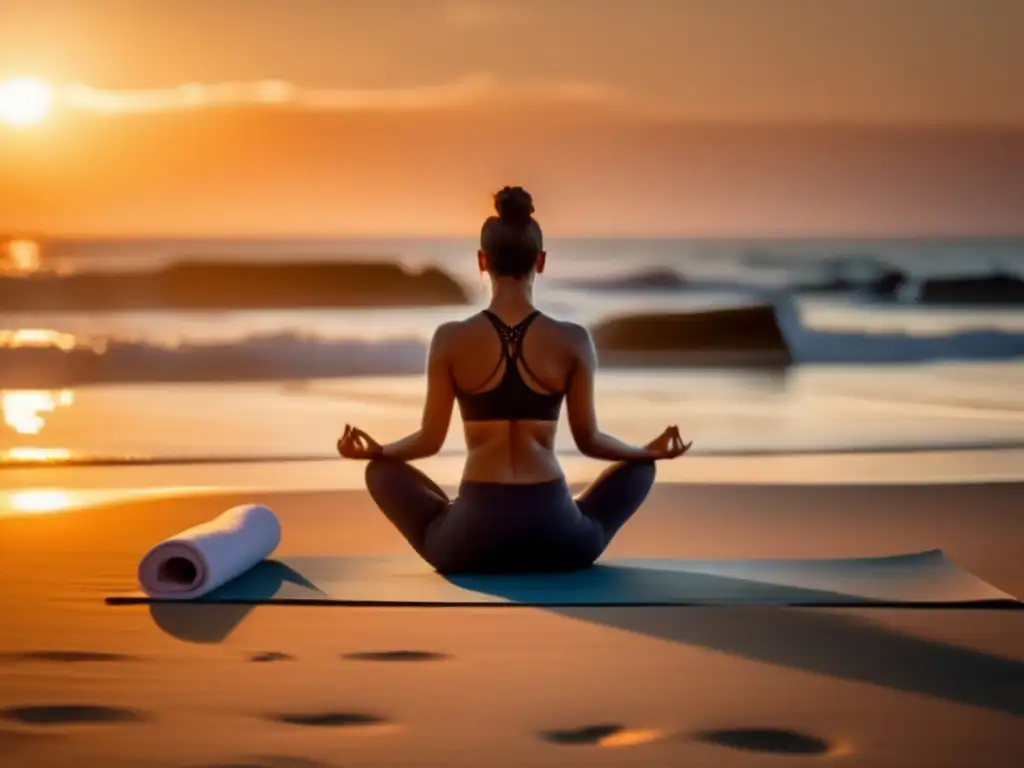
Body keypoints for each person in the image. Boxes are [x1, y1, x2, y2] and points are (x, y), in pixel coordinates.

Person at [337, 186, 692, 574]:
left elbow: (429, 441)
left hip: (471, 542)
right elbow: (589, 441)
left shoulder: (449, 339)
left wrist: (378, 451)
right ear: (540, 262)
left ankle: (456, 517)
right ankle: (534, 517)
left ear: (481, 261)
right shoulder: (573, 339)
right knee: (640, 469)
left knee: (380, 471)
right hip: (556, 537)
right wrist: (646, 452)